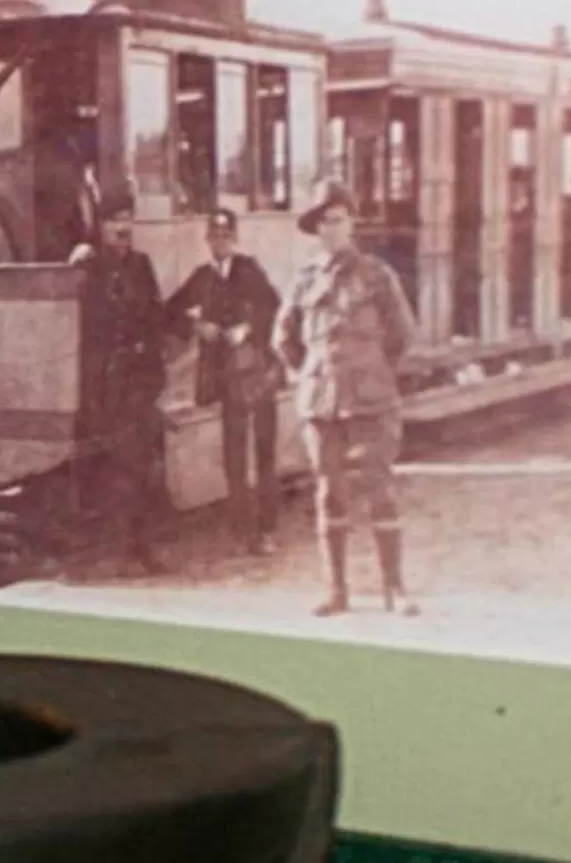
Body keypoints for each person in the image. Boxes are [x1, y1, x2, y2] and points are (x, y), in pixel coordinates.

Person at [275, 184, 420, 617]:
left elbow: (402, 335)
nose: (331, 229)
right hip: (321, 403)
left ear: (352, 223)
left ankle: (395, 589)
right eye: (323, 222)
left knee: (380, 492)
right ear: (315, 229)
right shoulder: (304, 279)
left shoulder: (376, 275)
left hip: (370, 400)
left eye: (338, 219)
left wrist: (370, 369)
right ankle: (337, 592)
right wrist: (310, 374)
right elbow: (283, 337)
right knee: (328, 494)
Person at [165, 207, 282, 552]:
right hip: (227, 378)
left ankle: (267, 530)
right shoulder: (202, 277)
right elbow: (170, 310)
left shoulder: (250, 269)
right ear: (207, 240)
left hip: (259, 373)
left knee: (264, 453)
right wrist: (196, 326)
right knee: (233, 454)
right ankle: (241, 531)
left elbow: (274, 309)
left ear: (235, 237)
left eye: (226, 235)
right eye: (214, 236)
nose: (220, 242)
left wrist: (247, 329)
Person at [69, 191, 167, 571]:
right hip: (106, 384)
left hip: (139, 380)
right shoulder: (88, 266)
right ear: (101, 226)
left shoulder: (141, 265)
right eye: (114, 220)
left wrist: (154, 374)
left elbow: (155, 317)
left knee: (141, 467)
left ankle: (140, 547)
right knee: (116, 468)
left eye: (127, 219)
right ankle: (121, 550)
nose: (122, 227)